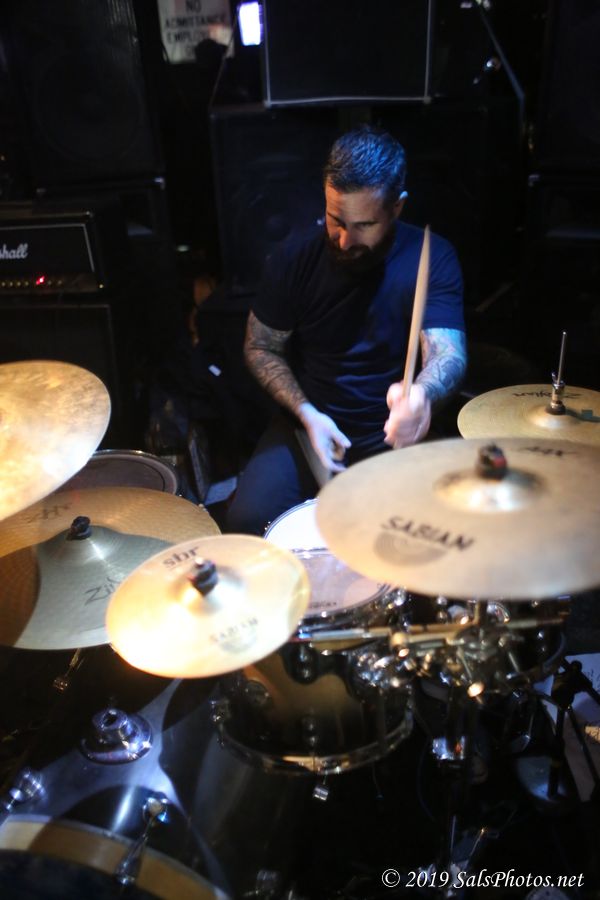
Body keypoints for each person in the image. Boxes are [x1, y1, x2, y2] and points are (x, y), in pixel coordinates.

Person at [227, 125, 467, 535]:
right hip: (308, 427)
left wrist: (421, 395)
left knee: (426, 535)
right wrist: (306, 413)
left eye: (363, 225)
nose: (342, 239)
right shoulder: (293, 259)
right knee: (247, 521)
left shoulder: (433, 257)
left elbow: (448, 352)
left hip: (393, 434)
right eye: (335, 219)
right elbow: (260, 347)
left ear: (396, 208)